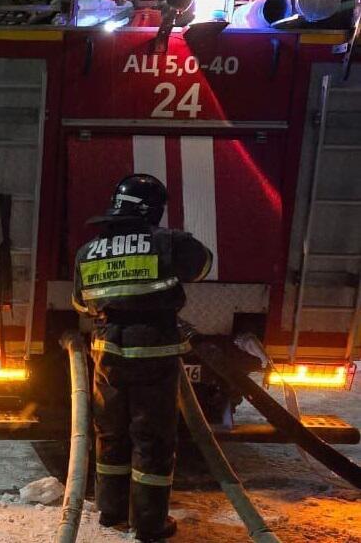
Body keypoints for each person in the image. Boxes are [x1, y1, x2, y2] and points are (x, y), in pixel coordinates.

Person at [71, 174, 212, 542]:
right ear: (153, 210)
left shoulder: (87, 250)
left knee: (111, 433)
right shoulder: (170, 242)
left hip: (107, 353)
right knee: (151, 438)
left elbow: (81, 303)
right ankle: (149, 524)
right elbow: (201, 266)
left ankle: (110, 510)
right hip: (154, 353)